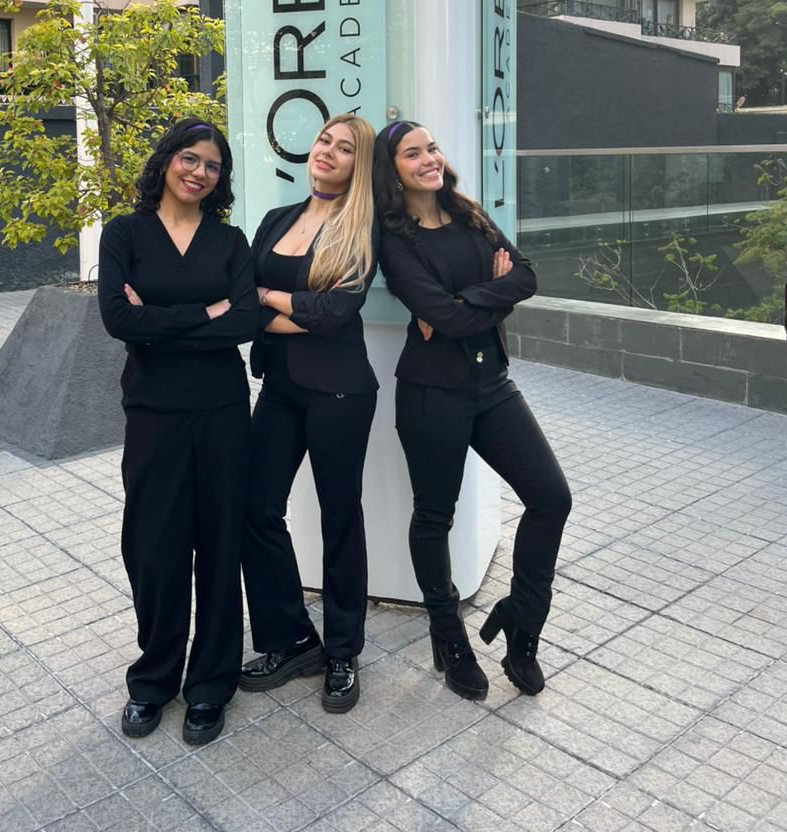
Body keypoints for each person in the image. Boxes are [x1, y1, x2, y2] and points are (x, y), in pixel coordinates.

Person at [372, 121, 571, 701]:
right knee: (434, 517)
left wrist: (465, 301)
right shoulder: (395, 240)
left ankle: (522, 621)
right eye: (413, 153)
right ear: (393, 170)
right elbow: (449, 318)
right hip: (431, 393)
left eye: (432, 147)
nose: (429, 159)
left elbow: (525, 276)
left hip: (491, 384)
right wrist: (484, 295)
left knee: (551, 498)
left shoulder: (469, 214)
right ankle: (448, 636)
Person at [98, 118, 258, 746]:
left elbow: (244, 321)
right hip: (154, 412)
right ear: (167, 160)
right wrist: (205, 313)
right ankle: (153, 678)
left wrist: (159, 323)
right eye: (190, 159)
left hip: (222, 412)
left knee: (219, 546)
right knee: (154, 547)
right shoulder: (125, 234)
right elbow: (118, 319)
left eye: (213, 166)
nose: (200, 172)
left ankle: (211, 684)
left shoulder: (230, 241)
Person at [240, 115, 378, 713]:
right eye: (325, 140)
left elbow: (335, 314)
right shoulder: (277, 219)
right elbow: (244, 303)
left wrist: (269, 299)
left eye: (344, 148)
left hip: (340, 392)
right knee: (255, 507)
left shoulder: (362, 228)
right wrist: (291, 308)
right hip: (280, 387)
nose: (327, 151)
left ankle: (343, 651)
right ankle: (293, 637)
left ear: (357, 165)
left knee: (339, 517)